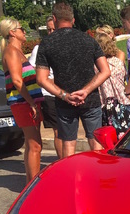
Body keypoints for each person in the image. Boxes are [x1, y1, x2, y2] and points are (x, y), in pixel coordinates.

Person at [35, 2, 110, 158]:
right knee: (95, 141)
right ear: (73, 20)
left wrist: (66, 95)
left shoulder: (47, 43)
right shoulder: (88, 40)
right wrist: (86, 91)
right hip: (90, 99)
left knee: (68, 144)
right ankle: (97, 176)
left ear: (54, 19)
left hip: (64, 102)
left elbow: (41, 79)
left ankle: (70, 178)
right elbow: (105, 71)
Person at [0, 19, 44, 184]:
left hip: (28, 102)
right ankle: (33, 186)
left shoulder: (16, 51)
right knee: (35, 145)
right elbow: (17, 81)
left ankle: (29, 183)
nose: (24, 32)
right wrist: (31, 102)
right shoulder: (11, 51)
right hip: (23, 102)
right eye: (22, 29)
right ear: (12, 32)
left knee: (32, 144)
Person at [28, 16, 63, 158]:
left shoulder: (67, 45)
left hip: (66, 93)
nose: (51, 32)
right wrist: (49, 79)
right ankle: (63, 164)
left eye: (54, 29)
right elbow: (31, 71)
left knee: (67, 131)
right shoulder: (39, 48)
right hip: (49, 94)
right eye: (48, 29)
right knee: (59, 131)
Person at [95, 31, 130, 138]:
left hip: (108, 105)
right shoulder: (119, 62)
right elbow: (124, 77)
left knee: (111, 140)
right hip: (124, 102)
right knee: (127, 137)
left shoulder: (97, 66)